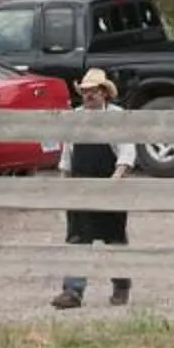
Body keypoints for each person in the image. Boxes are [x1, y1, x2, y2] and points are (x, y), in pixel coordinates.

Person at [53, 67, 136, 310]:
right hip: (80, 186)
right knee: (78, 237)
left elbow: (127, 153)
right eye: (85, 92)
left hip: (110, 185)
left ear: (104, 93)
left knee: (115, 240)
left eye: (93, 92)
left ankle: (121, 285)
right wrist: (64, 183)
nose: (88, 96)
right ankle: (72, 291)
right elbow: (67, 155)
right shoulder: (75, 117)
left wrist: (115, 180)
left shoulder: (117, 116)